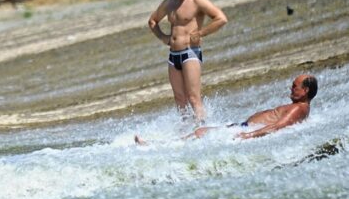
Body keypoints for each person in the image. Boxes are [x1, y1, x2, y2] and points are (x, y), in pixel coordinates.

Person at [135, 74, 318, 145]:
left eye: (295, 86)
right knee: (199, 132)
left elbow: (278, 126)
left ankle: (156, 146)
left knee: (199, 133)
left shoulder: (300, 109)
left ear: (306, 90)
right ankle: (159, 145)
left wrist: (249, 136)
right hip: (244, 127)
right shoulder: (299, 107)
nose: (290, 88)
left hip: (247, 130)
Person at [148, 0, 228, 124]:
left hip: (190, 53)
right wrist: (163, 37)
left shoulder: (197, 0)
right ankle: (185, 131)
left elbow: (221, 18)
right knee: (179, 99)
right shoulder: (169, 3)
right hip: (173, 56)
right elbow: (152, 21)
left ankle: (202, 129)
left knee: (193, 97)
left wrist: (200, 33)